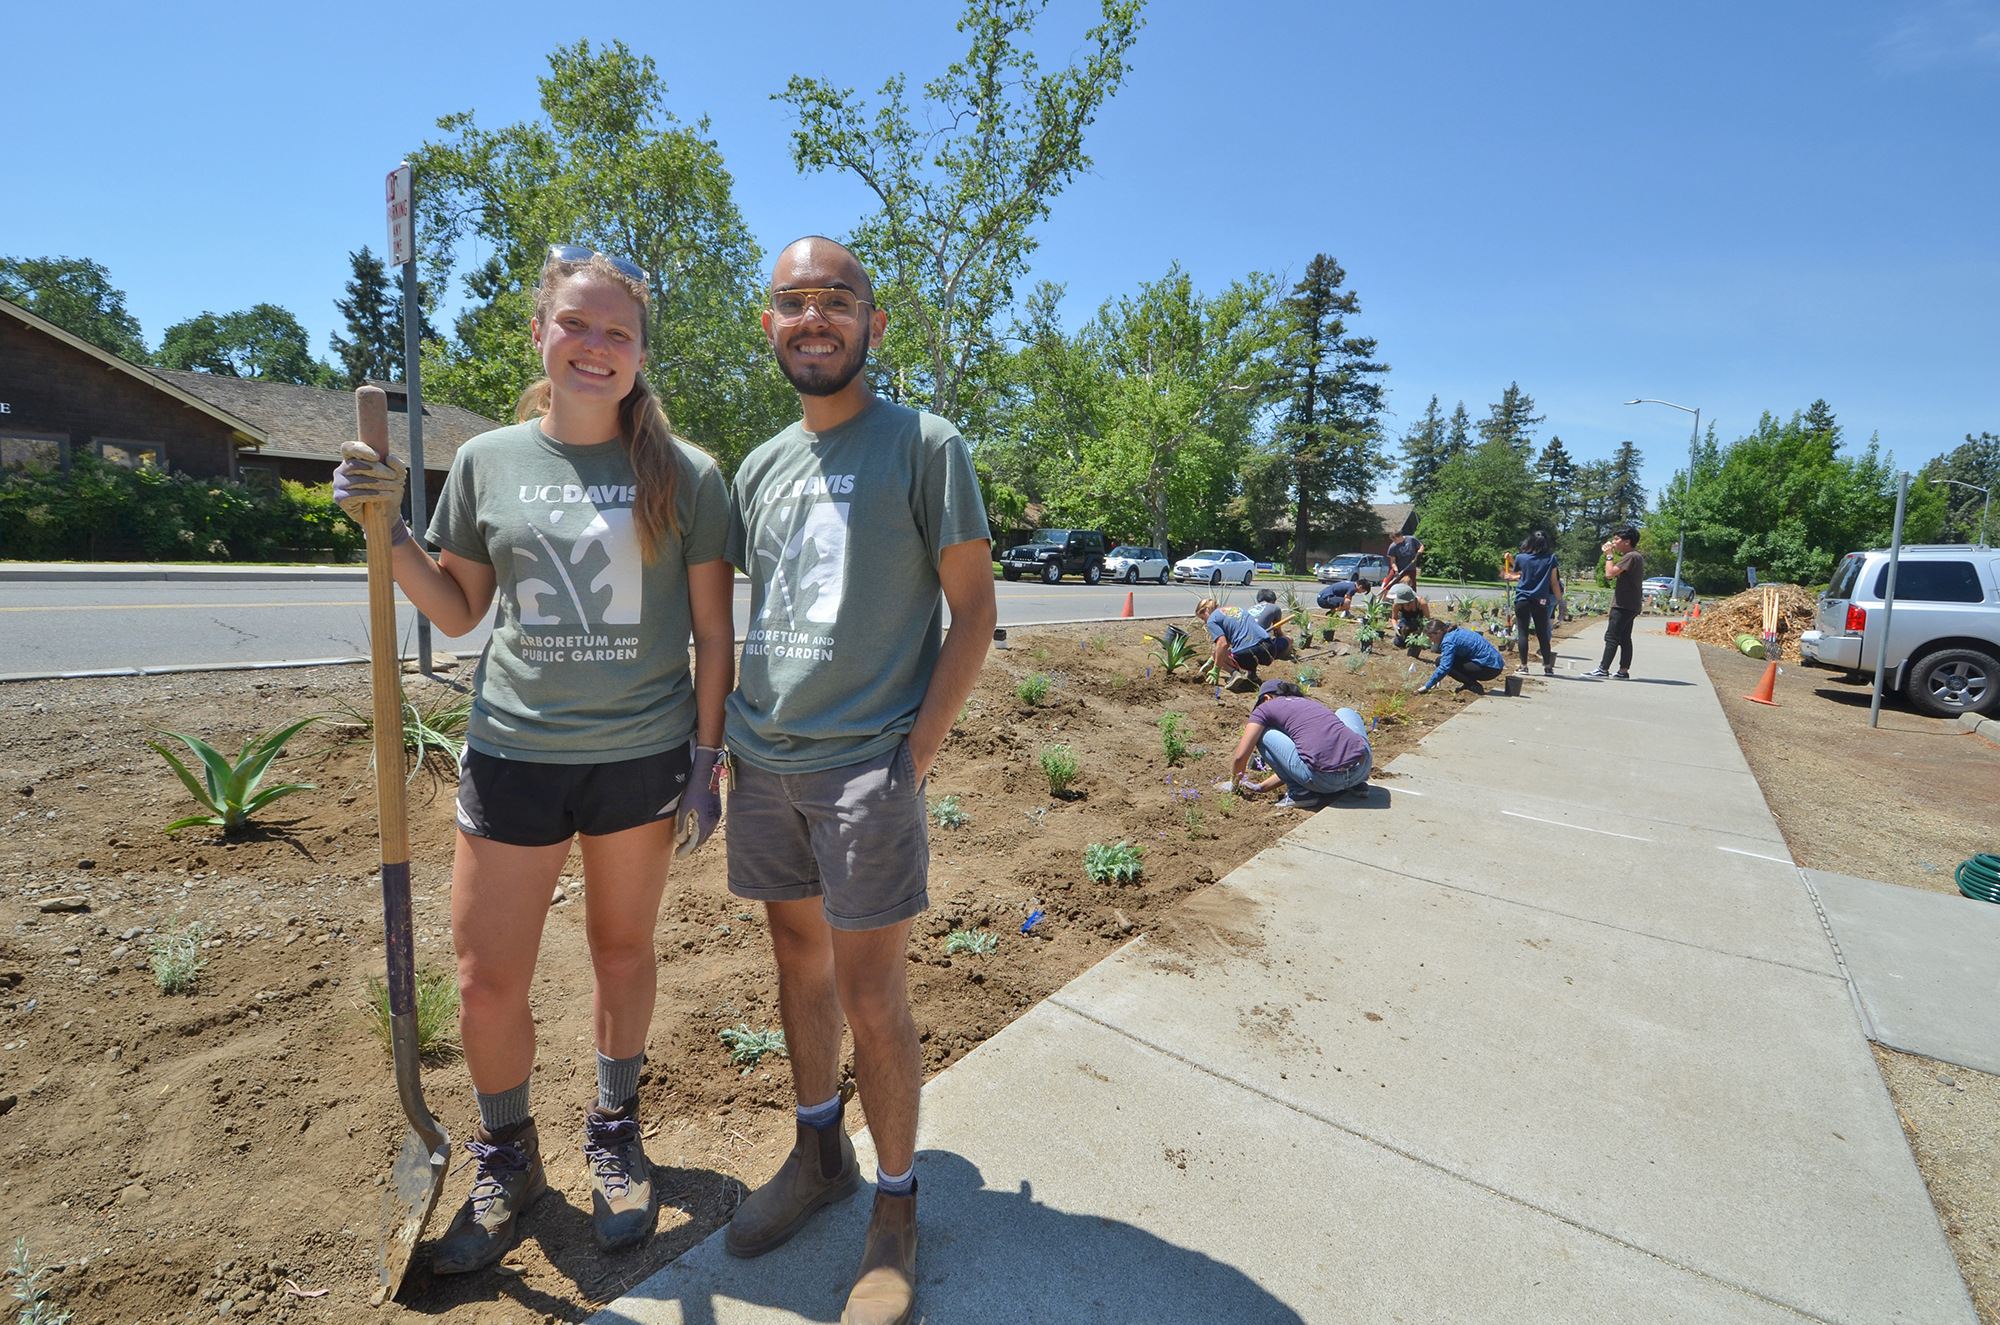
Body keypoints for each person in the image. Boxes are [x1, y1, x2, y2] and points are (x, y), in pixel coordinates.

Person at [330, 247, 735, 1271]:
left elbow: (712, 635)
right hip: (513, 749)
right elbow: (460, 609)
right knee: (483, 976)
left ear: (641, 352)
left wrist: (705, 754)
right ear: (539, 332)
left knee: (621, 951)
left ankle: (614, 1128)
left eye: (618, 333)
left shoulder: (685, 475)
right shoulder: (487, 461)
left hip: (637, 758)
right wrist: (381, 529)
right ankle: (506, 1153)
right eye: (576, 325)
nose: (596, 347)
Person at [721, 237, 996, 1325]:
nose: (813, 318)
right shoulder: (755, 467)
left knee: (872, 987)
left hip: (865, 768)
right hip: (765, 760)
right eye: (793, 302)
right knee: (796, 958)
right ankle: (816, 1148)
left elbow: (972, 613)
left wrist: (911, 759)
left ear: (872, 322)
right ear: (769, 325)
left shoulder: (925, 445)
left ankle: (894, 1206)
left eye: (835, 299)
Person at [1226, 680, 1372, 810]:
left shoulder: (1265, 708)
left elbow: (1240, 757)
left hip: (1325, 782)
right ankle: (1357, 786)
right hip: (1360, 772)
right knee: (1345, 712)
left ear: (1266, 698)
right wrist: (1262, 787)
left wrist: (1235, 785)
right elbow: (1299, 762)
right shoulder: (1310, 705)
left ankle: (1300, 793)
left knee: (1261, 732)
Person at [1584, 526, 1644, 679]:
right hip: (1631, 603)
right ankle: (1623, 671)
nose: (1614, 542)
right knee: (1624, 637)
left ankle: (1603, 669)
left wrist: (1609, 556)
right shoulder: (1634, 556)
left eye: (1617, 539)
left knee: (1612, 636)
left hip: (1624, 604)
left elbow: (1609, 574)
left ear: (1627, 541)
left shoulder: (1631, 556)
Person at [1196, 597, 1288, 690]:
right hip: (1268, 648)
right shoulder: (1236, 609)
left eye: (1203, 618)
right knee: (1245, 647)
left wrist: (1216, 668)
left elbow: (1222, 644)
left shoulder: (1212, 619)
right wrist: (1210, 661)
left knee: (1222, 654)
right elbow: (1227, 643)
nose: (1205, 622)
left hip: (1245, 654)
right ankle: (1253, 677)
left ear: (1206, 610)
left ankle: (1234, 674)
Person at [1502, 530, 1560, 676]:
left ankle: (1524, 665)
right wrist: (1561, 601)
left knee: (1523, 633)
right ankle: (1548, 666)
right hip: (1540, 600)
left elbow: (1520, 573)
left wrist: (1509, 571)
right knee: (1542, 633)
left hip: (1522, 598)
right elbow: (1554, 582)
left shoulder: (1521, 557)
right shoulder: (1550, 559)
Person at [1416, 617, 1506, 694]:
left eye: (1431, 637)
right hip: (1495, 664)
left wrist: (1428, 685)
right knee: (1449, 659)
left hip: (1489, 668)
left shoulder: (1448, 641)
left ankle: (1473, 685)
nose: (1431, 641)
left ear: (1439, 633)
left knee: (1440, 662)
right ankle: (1469, 684)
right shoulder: (1454, 631)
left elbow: (1444, 666)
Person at [1386, 583, 1431, 647]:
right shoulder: (1397, 604)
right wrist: (1395, 626)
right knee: (1398, 642)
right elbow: (1394, 618)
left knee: (1420, 644)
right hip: (1405, 622)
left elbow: (1428, 620)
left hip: (1418, 623)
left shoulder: (1421, 603)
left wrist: (1422, 630)